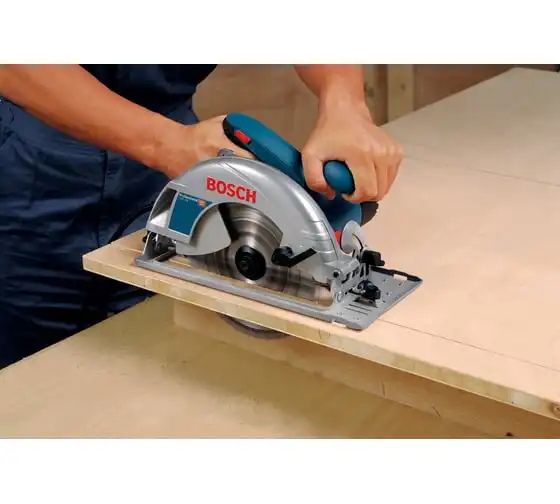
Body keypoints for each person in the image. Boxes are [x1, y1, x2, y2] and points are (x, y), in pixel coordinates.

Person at [0, 64, 403, 368]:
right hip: (30, 158)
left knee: (162, 363)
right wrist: (163, 143)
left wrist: (344, 103)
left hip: (169, 161)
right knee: (28, 376)